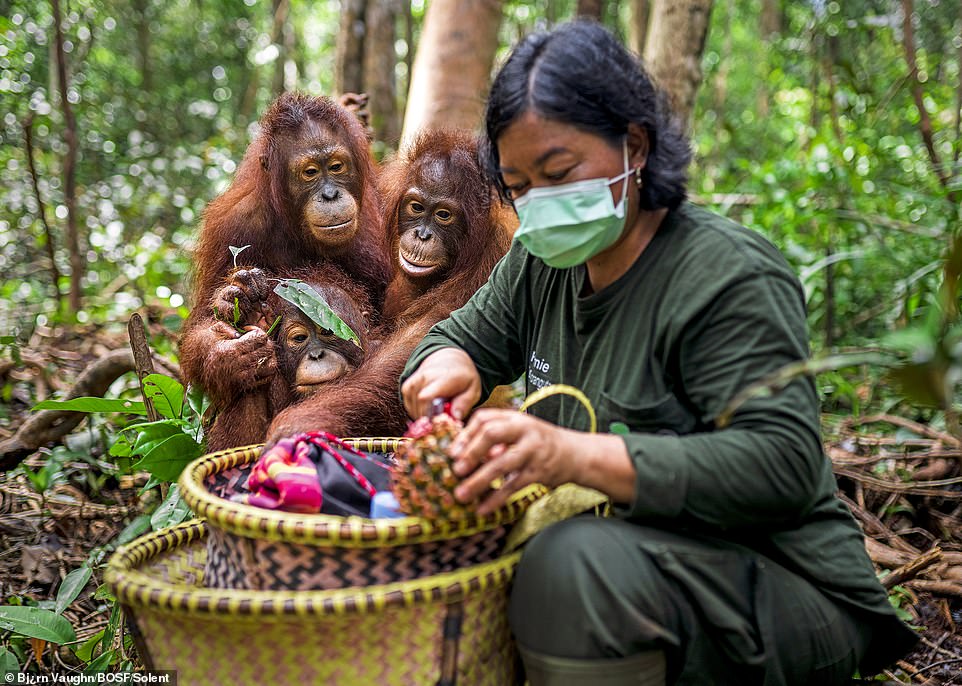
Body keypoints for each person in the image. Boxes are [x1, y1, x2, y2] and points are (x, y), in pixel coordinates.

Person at [400, 20, 918, 686]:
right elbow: (458, 340)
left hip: (780, 584)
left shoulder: (726, 277)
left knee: (570, 565)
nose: (541, 203)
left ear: (634, 147)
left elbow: (781, 465)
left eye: (560, 173)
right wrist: (444, 368)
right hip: (638, 561)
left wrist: (570, 455)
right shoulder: (540, 262)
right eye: (520, 185)